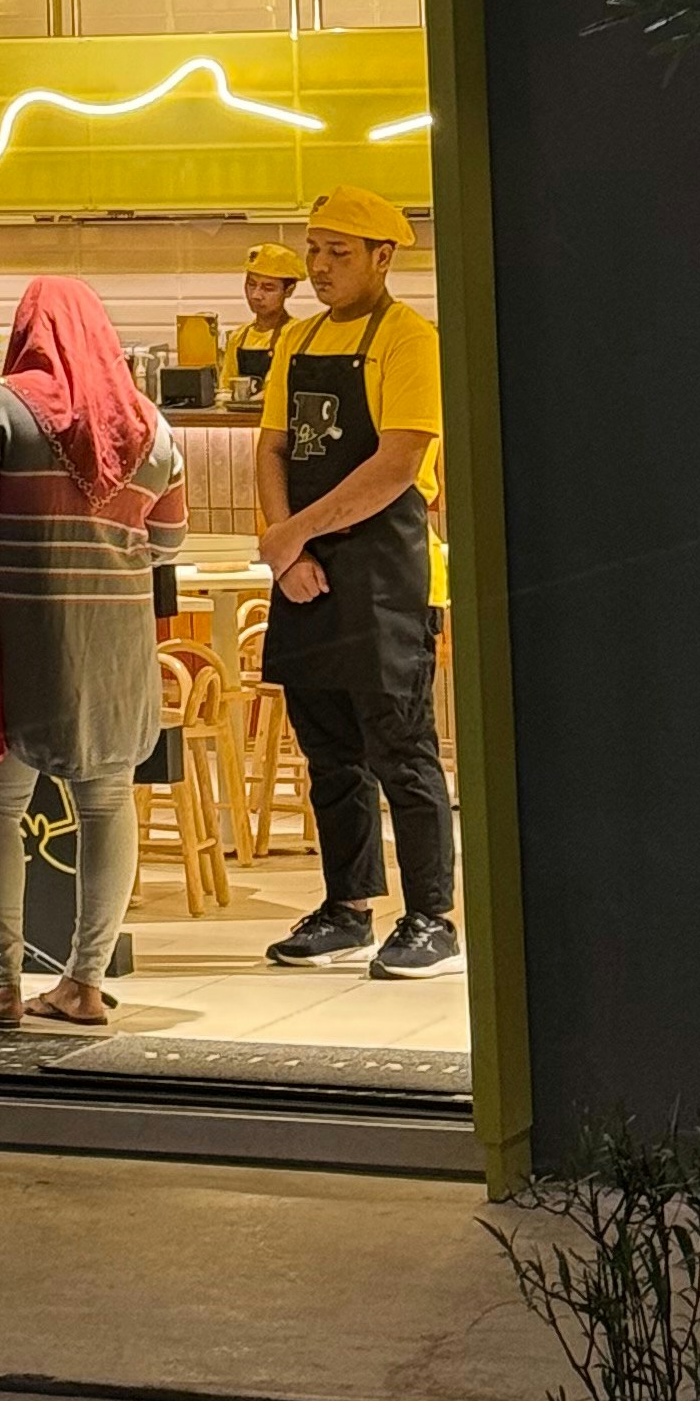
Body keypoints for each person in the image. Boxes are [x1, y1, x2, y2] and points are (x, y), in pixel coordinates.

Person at [0, 277, 187, 1029]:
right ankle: (84, 984)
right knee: (106, 802)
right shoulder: (150, 424)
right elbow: (167, 541)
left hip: (17, 638)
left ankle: (0, 984)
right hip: (115, 644)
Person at [255, 183, 458, 980]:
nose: (319, 266)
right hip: (305, 571)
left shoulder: (411, 340)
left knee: (401, 750)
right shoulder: (297, 339)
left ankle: (432, 918)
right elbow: (272, 448)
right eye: (313, 250)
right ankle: (347, 910)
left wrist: (292, 535)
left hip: (385, 574)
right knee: (329, 754)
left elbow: (399, 462)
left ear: (383, 257)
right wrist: (287, 553)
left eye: (338, 252)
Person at [230, 242, 300, 394]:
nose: (256, 295)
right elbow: (226, 387)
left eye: (268, 288)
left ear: (289, 291)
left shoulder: (296, 334)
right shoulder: (239, 337)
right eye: (251, 285)